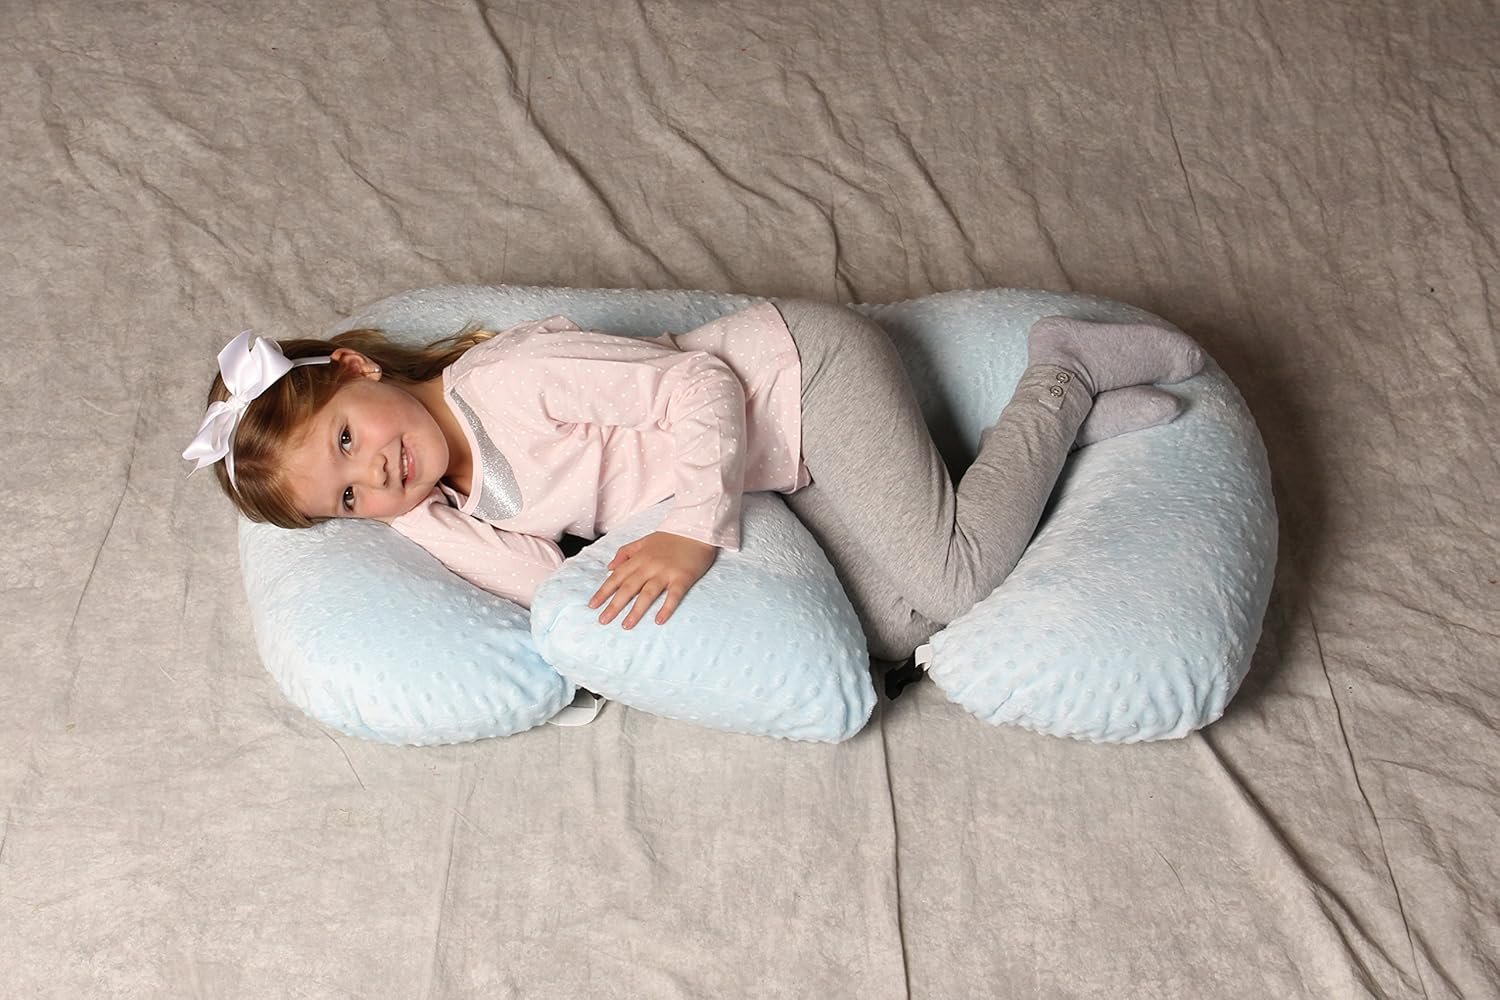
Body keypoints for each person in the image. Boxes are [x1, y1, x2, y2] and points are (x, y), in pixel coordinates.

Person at [184, 300, 1203, 663]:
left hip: (802, 378)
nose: (376, 471)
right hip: (779, 470)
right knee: (889, 637)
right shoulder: (446, 502)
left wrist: (695, 528)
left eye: (350, 438)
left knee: (958, 580)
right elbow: (545, 585)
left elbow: (701, 385)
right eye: (349, 496)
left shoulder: (508, 382)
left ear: (359, 369)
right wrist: (416, 521)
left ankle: (1061, 374)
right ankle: (1036, 450)